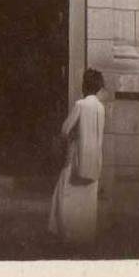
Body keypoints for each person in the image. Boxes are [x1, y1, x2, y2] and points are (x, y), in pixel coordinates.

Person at [48, 68, 107, 246]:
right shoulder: (101, 107)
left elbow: (65, 129)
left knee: (64, 193)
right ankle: (84, 237)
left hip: (76, 158)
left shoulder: (81, 105)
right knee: (88, 200)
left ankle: (67, 234)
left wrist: (74, 136)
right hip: (95, 158)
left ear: (85, 86)